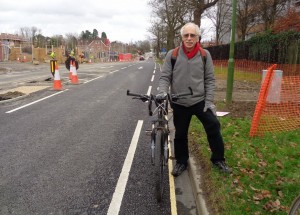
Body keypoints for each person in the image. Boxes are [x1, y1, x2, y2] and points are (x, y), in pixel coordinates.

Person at [157, 22, 232, 177]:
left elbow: (210, 79)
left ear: (198, 37)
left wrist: (209, 101)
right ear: (182, 37)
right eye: (186, 35)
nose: (189, 38)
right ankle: (181, 162)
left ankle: (218, 159)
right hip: (179, 102)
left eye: (193, 35)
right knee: (180, 134)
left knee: (213, 126)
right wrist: (163, 92)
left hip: (200, 102)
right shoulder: (173, 54)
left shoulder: (205, 55)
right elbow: (165, 77)